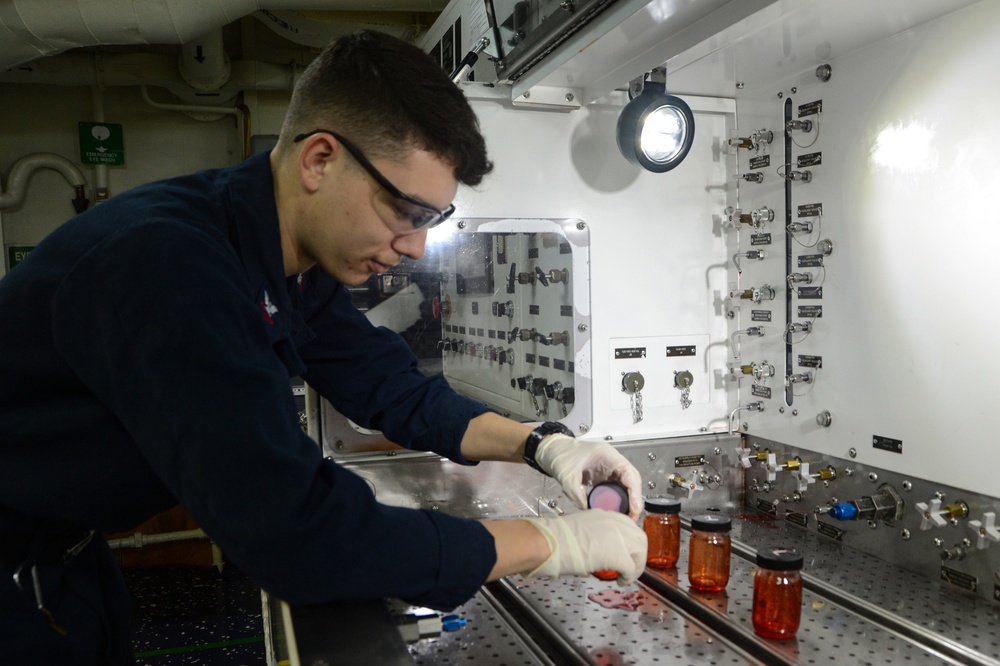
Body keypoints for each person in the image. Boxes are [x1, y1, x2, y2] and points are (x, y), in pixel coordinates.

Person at [0, 29, 646, 664]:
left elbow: (389, 387)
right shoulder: (170, 267)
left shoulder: (285, 260)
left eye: (432, 221)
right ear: (319, 160)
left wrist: (545, 444)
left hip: (70, 559)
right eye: (406, 210)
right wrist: (550, 543)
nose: (417, 247)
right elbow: (296, 537)